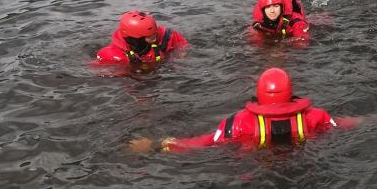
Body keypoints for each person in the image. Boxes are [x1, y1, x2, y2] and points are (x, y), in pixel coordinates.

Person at [130, 68, 352, 151]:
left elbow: (205, 142)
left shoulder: (239, 122)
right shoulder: (315, 116)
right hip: (302, 162)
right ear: (290, 92)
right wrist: (373, 120)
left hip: (257, 166)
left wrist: (157, 145)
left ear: (259, 93)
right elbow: (342, 125)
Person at [94, 11, 189, 66]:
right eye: (149, 36)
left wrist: (180, 54)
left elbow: (183, 45)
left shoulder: (166, 36)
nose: (154, 36)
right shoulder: (113, 55)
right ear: (136, 38)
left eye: (154, 32)